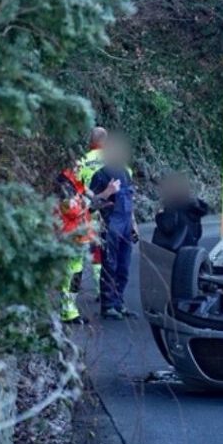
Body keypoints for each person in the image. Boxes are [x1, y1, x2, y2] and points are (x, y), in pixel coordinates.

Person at [54, 167, 118, 324]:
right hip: (70, 238)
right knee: (69, 276)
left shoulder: (76, 182)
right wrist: (101, 198)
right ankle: (67, 311)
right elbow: (75, 210)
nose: (80, 168)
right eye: (77, 166)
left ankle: (69, 309)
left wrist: (101, 199)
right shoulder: (64, 185)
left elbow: (90, 199)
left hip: (80, 238)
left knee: (75, 275)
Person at [89, 134, 139, 320]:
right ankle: (108, 305)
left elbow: (130, 200)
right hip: (110, 225)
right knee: (110, 265)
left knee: (124, 266)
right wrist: (107, 192)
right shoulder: (100, 175)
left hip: (125, 224)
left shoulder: (125, 173)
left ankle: (119, 303)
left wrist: (134, 224)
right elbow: (90, 204)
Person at [76, 127, 108, 294]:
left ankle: (74, 290)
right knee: (101, 251)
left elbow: (75, 186)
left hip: (86, 211)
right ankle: (100, 289)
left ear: (91, 141)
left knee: (80, 252)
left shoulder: (82, 161)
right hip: (108, 210)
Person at [152, 172, 210, 252]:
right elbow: (198, 233)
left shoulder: (173, 208)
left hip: (173, 254)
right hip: (190, 252)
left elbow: (167, 227)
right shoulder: (193, 208)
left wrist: (159, 215)